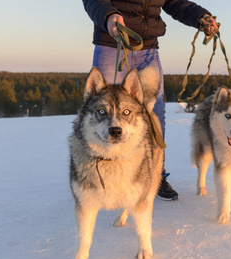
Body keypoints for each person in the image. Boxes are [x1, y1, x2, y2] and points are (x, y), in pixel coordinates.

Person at [82, 0, 218, 201]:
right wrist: (109, 16)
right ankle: (101, 176)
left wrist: (200, 17)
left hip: (148, 49)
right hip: (112, 43)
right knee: (103, 113)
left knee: (155, 116)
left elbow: (175, 2)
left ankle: (156, 175)